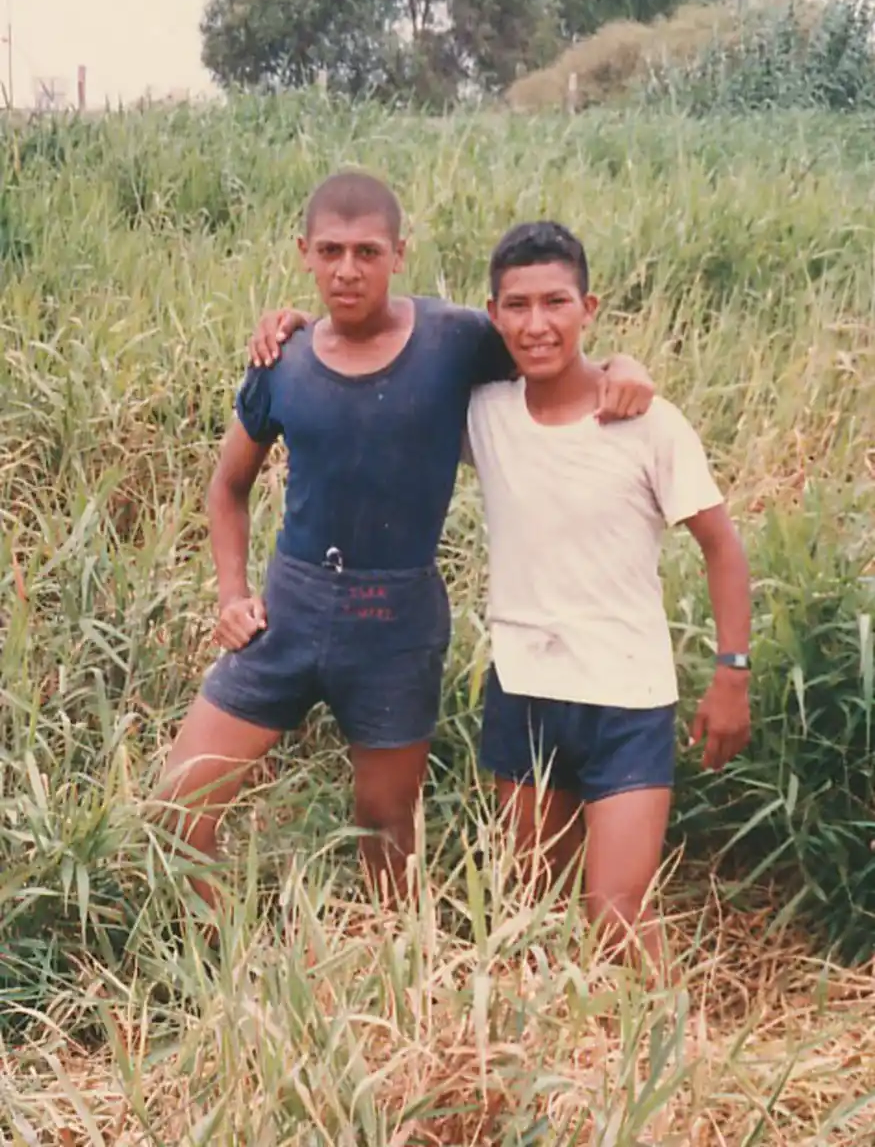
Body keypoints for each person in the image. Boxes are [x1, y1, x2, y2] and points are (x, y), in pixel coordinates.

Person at [158, 172, 656, 916]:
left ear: (400, 252)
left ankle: (390, 977)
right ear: (303, 253)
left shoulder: (452, 341)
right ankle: (225, 961)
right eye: (330, 251)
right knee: (177, 811)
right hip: (286, 615)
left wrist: (625, 365)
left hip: (396, 625)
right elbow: (227, 487)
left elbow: (548, 344)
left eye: (366, 251)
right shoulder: (282, 361)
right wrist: (232, 595)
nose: (347, 270)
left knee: (386, 827)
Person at [462, 220, 751, 969]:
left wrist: (731, 673)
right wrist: (293, 325)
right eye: (516, 306)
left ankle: (677, 1062)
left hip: (625, 698)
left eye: (555, 302)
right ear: (493, 315)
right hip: (524, 688)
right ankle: (549, 1066)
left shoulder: (646, 421)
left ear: (588, 307)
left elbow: (721, 547)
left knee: (615, 910)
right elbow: (389, 345)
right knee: (526, 903)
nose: (536, 324)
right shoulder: (483, 411)